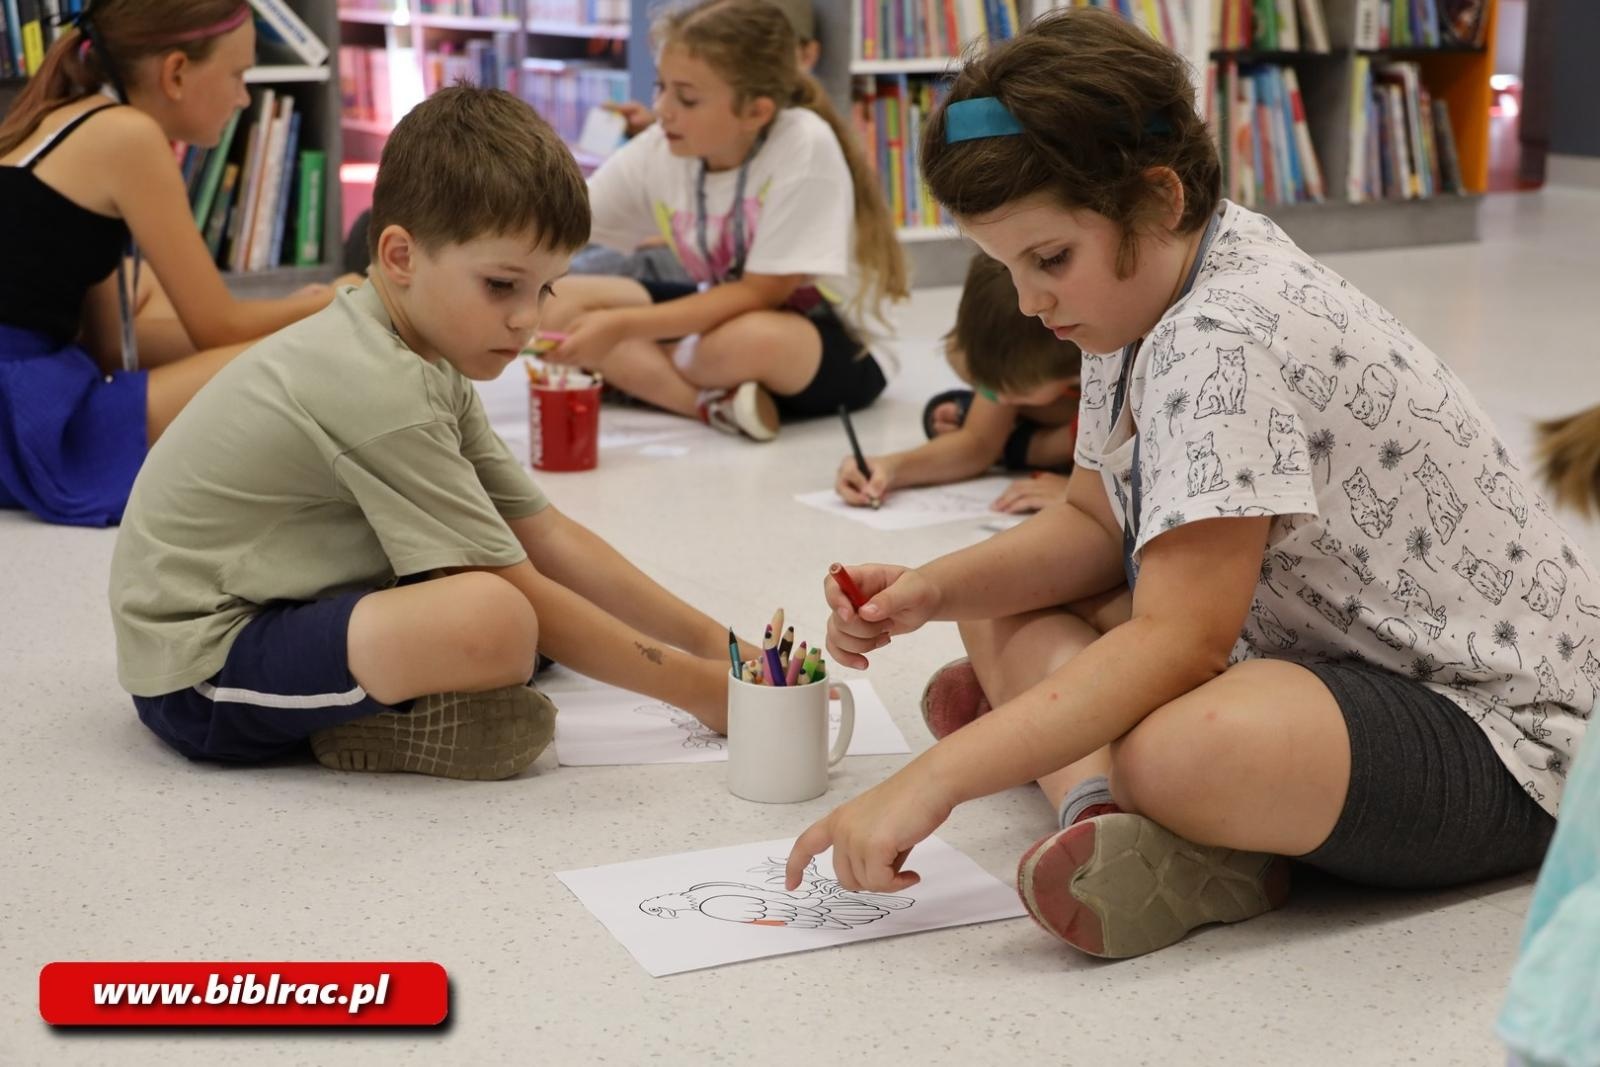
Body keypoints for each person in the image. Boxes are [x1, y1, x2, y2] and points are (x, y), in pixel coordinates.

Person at [786, 8, 1599, 959]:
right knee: (993, 600)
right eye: (1006, 266)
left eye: (1049, 259)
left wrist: (933, 779)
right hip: (1320, 660)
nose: (1029, 299)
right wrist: (935, 590)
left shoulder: (1220, 337)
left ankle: (1089, 764)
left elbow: (1180, 642)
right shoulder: (1136, 294)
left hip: (1512, 743)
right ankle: (1095, 805)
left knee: (1186, 748)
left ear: (1159, 197)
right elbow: (1093, 521)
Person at [109, 86, 756, 781]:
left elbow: (546, 532)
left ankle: (410, 692)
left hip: (292, 601)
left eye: (545, 289)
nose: (527, 321)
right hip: (200, 670)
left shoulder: (423, 349)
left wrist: (721, 649)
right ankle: (375, 721)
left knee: (525, 612)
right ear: (399, 256)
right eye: (502, 285)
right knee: (501, 618)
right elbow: (506, 581)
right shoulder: (382, 382)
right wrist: (699, 691)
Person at [0, 0, 357, 526]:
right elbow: (218, 327)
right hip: (28, 417)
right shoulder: (129, 136)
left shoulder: (71, 118)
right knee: (305, 346)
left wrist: (293, 313)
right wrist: (332, 298)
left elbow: (111, 352)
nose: (242, 97)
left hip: (33, 380)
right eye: (238, 75)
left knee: (164, 298)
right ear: (176, 72)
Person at [535, 0, 907, 441]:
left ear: (756, 112)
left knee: (739, 342)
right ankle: (709, 405)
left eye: (687, 97)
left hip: (829, 343)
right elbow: (566, 221)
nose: (664, 109)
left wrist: (620, 329)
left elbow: (761, 293)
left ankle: (658, 371)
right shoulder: (660, 148)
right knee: (551, 302)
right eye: (661, 88)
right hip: (718, 314)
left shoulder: (803, 143)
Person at [836, 253, 1080, 513]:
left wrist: (1082, 493)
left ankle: (1017, 442)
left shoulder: (1107, 371)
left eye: (1011, 394)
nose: (997, 399)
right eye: (987, 389)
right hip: (1067, 419)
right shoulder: (1021, 355)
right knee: (944, 413)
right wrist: (889, 467)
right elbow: (978, 442)